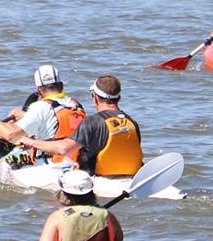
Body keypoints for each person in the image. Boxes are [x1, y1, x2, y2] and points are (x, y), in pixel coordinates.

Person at [15, 75, 143, 178]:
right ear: (118, 98)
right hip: (130, 178)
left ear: (95, 98)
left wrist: (30, 141)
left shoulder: (92, 122)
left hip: (98, 180)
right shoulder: (131, 122)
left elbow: (64, 149)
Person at [14, 168, 122, 241]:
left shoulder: (56, 218)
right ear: (90, 193)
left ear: (64, 194)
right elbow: (118, 239)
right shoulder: (106, 215)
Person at [0, 63, 85, 151]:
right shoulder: (75, 105)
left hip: (50, 166)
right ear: (61, 86)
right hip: (74, 163)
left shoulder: (40, 107)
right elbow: (54, 119)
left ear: (39, 91)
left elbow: (11, 135)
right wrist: (23, 115)